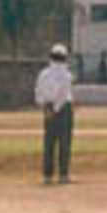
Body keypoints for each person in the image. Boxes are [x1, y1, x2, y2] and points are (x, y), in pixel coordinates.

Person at [34, 43, 75, 185]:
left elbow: (38, 93)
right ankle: (63, 174)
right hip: (64, 108)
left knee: (49, 142)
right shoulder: (67, 75)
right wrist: (57, 109)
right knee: (64, 142)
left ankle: (47, 175)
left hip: (48, 107)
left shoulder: (43, 74)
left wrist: (46, 108)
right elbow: (63, 94)